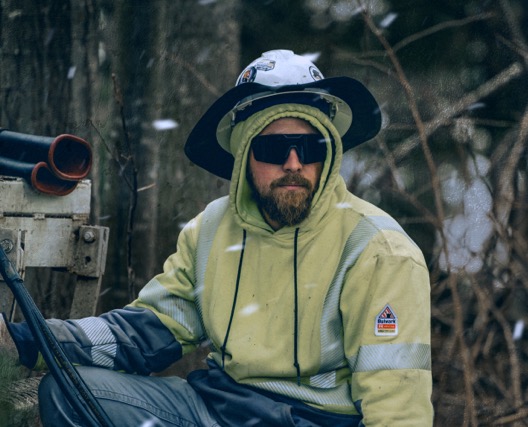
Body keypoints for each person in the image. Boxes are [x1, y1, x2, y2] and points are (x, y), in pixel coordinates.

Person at [1, 49, 433, 426]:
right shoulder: (211, 228)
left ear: (330, 153)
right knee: (68, 392)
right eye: (272, 149)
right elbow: (146, 332)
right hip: (213, 411)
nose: (294, 163)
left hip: (311, 421)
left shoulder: (380, 250)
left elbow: (397, 402)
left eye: (312, 147)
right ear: (244, 155)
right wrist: (22, 339)